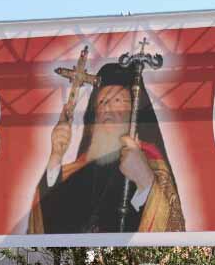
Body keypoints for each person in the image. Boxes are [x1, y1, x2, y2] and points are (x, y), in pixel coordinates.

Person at [25, 61, 184, 235]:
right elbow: (48, 225)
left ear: (134, 112)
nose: (108, 108)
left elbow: (171, 228)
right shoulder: (81, 171)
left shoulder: (152, 166)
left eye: (118, 100)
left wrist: (144, 180)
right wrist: (56, 156)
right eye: (102, 102)